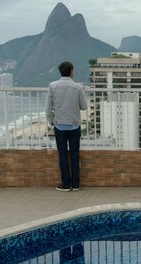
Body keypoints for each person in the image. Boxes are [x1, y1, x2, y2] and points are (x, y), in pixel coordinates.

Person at [46, 61, 88, 192]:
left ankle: (65, 184)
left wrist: (51, 121)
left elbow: (48, 108)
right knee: (75, 155)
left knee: (63, 155)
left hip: (59, 125)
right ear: (71, 71)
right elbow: (84, 106)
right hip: (74, 125)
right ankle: (75, 184)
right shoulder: (78, 87)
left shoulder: (52, 86)